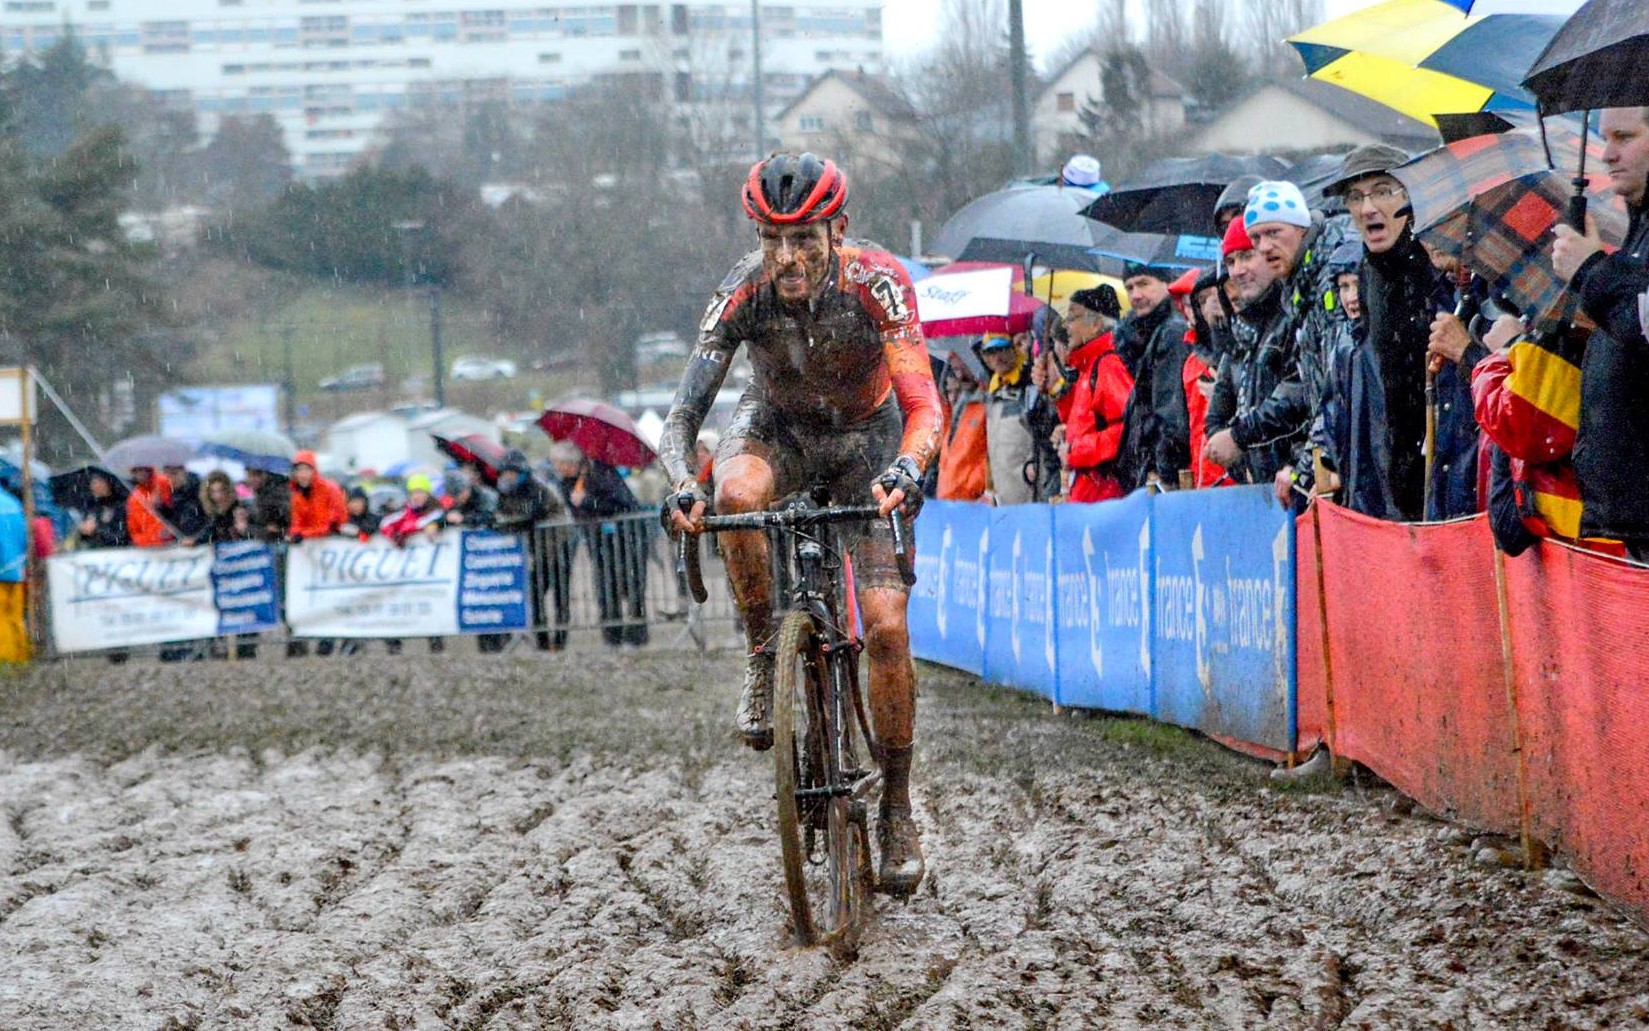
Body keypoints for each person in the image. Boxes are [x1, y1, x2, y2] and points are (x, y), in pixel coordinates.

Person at [658, 152, 942, 896]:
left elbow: (923, 405)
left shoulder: (877, 282)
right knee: (736, 491)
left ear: (836, 230)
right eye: (771, 239)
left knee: (883, 625)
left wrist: (907, 466)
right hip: (779, 428)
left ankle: (898, 807)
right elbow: (683, 416)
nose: (787, 258)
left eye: (805, 239)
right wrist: (682, 482)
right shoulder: (742, 290)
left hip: (866, 441)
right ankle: (761, 652)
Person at [1313, 144, 1482, 521]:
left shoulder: (1442, 268)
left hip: (1450, 493)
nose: (1367, 207)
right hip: (1388, 501)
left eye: (1383, 191)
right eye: (1355, 197)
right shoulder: (1367, 276)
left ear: (1412, 196)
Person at [1552, 105, 1649, 559]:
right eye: (1605, 138)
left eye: (1624, 137)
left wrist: (1591, 271)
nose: (1607, 154)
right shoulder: (1638, 223)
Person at [1239, 179, 1354, 508]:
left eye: (1274, 233)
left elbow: (1337, 387)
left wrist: (1307, 469)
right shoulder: (1298, 288)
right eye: (1256, 237)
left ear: (1302, 227)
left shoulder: (1331, 276)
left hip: (1348, 462)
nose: (1264, 247)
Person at [1203, 213, 1302, 492]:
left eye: (1246, 256)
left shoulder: (1293, 317)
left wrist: (1240, 437)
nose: (1237, 271)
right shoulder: (1240, 334)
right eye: (1230, 262)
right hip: (1261, 493)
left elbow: (1300, 399)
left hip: (1298, 486)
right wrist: (1242, 463)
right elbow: (1214, 421)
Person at [1042, 284, 1133, 502]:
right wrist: (1057, 390)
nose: (1066, 327)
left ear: (1097, 324)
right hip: (1091, 497)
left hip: (1104, 498)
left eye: (1072, 318)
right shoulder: (1089, 366)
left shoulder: (1108, 364)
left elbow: (1125, 430)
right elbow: (1085, 420)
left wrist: (1075, 451)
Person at [559, 448, 649, 649]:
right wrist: (577, 502)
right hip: (598, 543)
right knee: (606, 590)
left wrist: (588, 501)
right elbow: (575, 511)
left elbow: (622, 504)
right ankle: (612, 637)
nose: (560, 469)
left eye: (563, 465)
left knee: (633, 587)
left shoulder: (602, 472)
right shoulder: (567, 483)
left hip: (627, 538)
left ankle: (636, 636)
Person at [1115, 263, 1191, 489]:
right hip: (1147, 468)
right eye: (1129, 288)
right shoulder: (1139, 337)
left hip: (1162, 475)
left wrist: (1163, 470)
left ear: (1166, 283)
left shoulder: (1172, 332)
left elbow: (1171, 411)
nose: (1136, 295)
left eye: (1144, 284)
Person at [493, 448, 566, 651]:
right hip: (532, 553)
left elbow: (531, 515)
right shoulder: (505, 492)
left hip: (555, 548)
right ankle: (543, 642)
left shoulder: (538, 489)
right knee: (535, 599)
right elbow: (502, 515)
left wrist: (511, 523)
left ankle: (559, 643)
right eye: (504, 473)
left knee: (561, 598)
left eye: (511, 472)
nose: (507, 476)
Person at [287, 450, 349, 657]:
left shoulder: (329, 489)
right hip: (311, 551)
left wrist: (302, 534)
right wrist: (296, 533)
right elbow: (297, 522)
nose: (302, 474)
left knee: (334, 594)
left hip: (331, 548)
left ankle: (338, 639)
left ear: (314, 471)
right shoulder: (295, 494)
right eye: (299, 470)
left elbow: (333, 523)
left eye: (306, 469)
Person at [380, 473, 448, 655]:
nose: (416, 496)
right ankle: (394, 647)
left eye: (420, 492)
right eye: (413, 492)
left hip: (430, 570)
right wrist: (394, 534)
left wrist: (405, 532)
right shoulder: (405, 511)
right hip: (407, 570)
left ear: (428, 493)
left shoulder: (436, 510)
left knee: (430, 605)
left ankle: (436, 645)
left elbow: (430, 521)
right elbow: (386, 523)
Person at [980, 332, 1049, 504]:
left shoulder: (1029, 385)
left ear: (1013, 350)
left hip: (1028, 485)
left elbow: (1041, 432)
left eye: (1002, 349)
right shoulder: (992, 390)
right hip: (1002, 489)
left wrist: (1035, 466)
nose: (998, 357)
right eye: (992, 352)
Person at [936, 353, 989, 501]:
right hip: (950, 499)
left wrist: (971, 486)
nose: (960, 375)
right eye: (955, 369)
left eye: (962, 367)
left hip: (972, 500)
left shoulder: (986, 403)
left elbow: (993, 455)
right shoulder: (959, 406)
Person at [72, 472, 128, 550]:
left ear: (109, 484)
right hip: (96, 553)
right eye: (93, 483)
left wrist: (97, 530)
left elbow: (122, 537)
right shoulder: (92, 508)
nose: (96, 486)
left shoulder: (121, 507)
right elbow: (85, 539)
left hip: (119, 553)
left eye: (100, 482)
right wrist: (84, 531)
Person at [126, 466, 174, 548]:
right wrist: (150, 539)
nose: (142, 473)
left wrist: (162, 504)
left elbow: (176, 509)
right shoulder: (134, 498)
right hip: (149, 548)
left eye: (144, 469)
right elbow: (134, 530)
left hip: (174, 544)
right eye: (137, 471)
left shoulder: (165, 483)